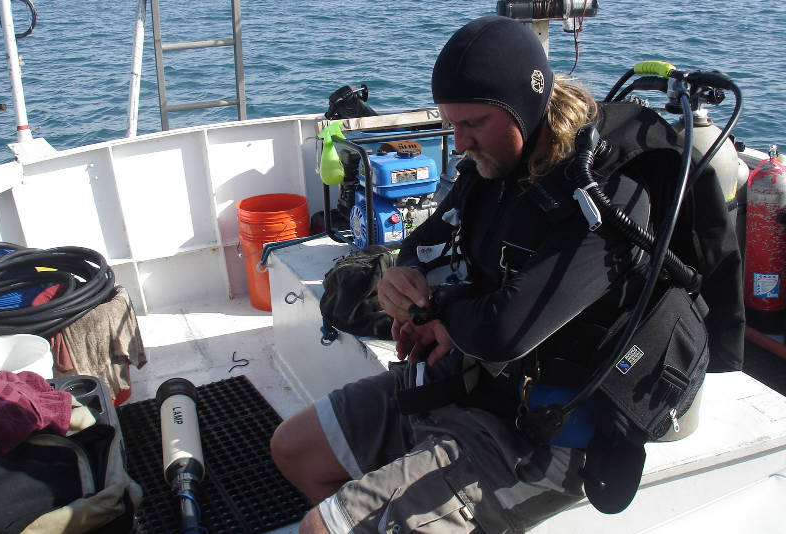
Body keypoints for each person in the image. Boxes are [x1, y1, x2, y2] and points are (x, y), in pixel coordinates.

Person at [271, 14, 743, 533]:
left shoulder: (609, 191)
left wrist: (442, 314)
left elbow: (506, 329)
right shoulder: (496, 160)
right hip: (472, 383)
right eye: (452, 123)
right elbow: (426, 243)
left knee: (321, 528)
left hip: (549, 431)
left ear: (522, 106)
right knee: (294, 451)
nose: (461, 140)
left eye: (472, 124)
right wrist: (401, 283)